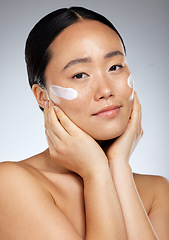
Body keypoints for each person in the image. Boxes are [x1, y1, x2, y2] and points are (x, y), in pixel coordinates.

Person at [0, 6, 168, 240]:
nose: (106, 90)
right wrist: (96, 172)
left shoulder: (157, 191)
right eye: (80, 75)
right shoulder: (10, 183)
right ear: (42, 96)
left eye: (115, 67)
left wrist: (118, 166)